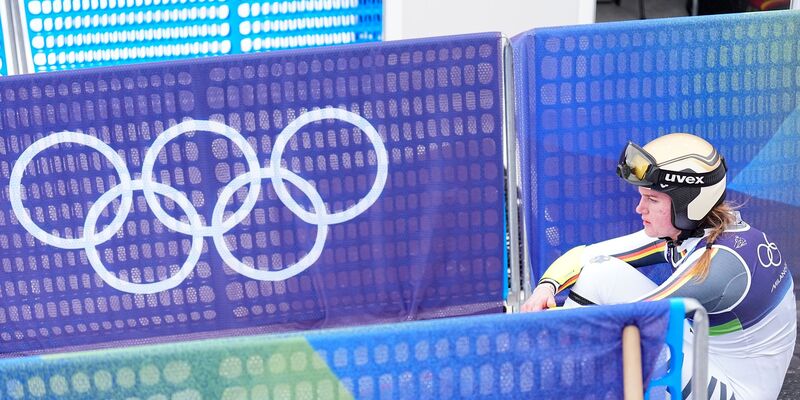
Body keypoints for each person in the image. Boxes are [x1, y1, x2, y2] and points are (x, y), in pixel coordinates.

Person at [522, 133, 796, 400]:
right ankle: (554, 382)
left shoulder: (721, 266)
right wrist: (546, 287)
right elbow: (583, 258)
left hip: (737, 390)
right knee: (598, 273)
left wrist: (552, 330)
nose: (640, 209)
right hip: (711, 355)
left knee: (626, 334)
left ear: (688, 204)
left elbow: (634, 322)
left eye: (652, 199)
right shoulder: (696, 231)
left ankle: (551, 383)